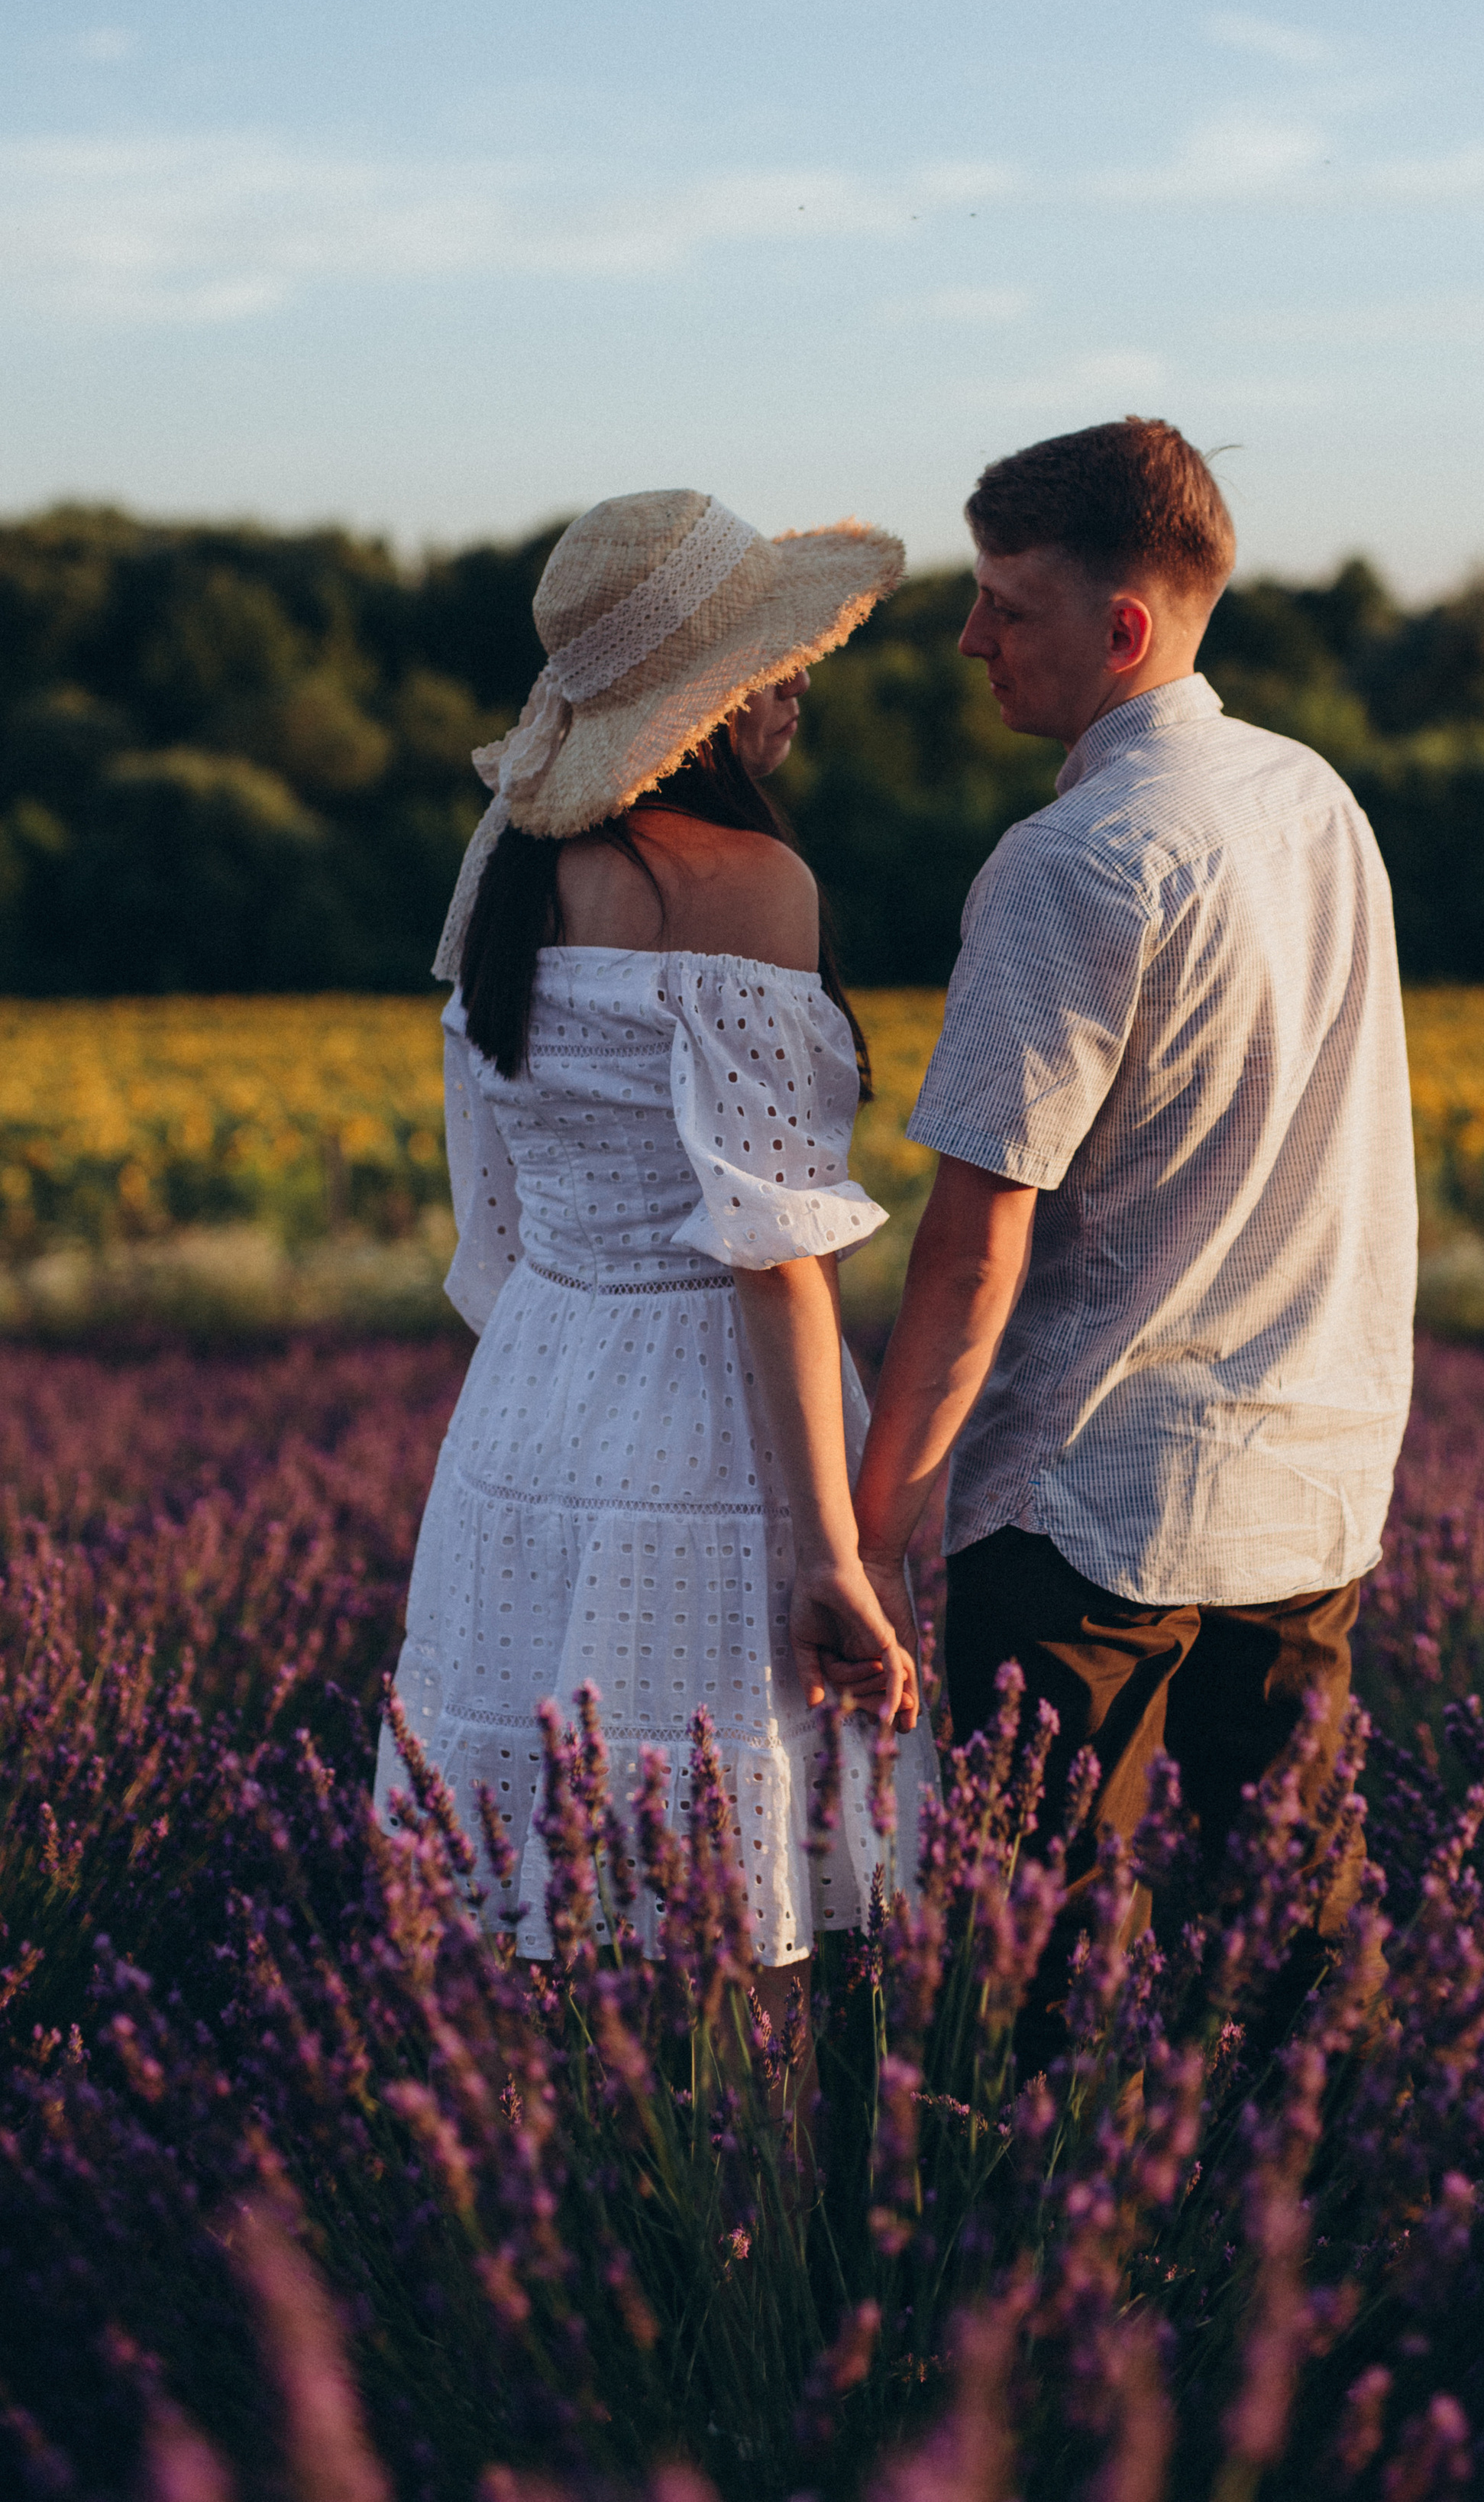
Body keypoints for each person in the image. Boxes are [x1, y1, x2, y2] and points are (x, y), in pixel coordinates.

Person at [852, 417, 1417, 2055]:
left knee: (1030, 1975)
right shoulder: (1312, 800)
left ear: (1120, 628)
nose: (968, 640)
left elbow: (972, 1242)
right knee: (1297, 1947)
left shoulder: (1068, 861)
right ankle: (1334, 2256)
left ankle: (1027, 2281)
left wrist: (884, 1522)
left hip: (1085, 1497)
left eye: (1000, 604)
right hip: (1305, 1468)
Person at [376, 487, 933, 2042]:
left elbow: (486, 1211)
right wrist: (836, 1555)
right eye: (770, 660)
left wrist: (562, 1334)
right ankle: (729, 2273)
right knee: (732, 1928)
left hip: (528, 1395)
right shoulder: (744, 888)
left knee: (527, 1911)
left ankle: (531, 2257)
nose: (795, 684)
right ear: (702, 705)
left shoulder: (502, 883)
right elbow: (770, 1251)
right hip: (704, 1420)